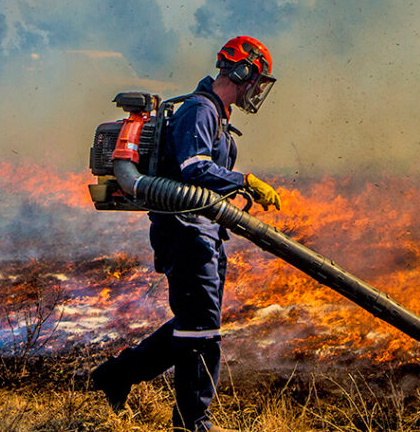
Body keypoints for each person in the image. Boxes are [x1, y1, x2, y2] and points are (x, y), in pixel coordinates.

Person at [91, 35, 282, 432]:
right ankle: (193, 424)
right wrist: (243, 180)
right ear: (242, 71)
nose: (257, 91)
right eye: (256, 80)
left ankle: (115, 375)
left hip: (202, 231)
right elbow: (195, 170)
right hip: (185, 230)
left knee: (194, 322)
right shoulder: (200, 110)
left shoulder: (215, 114)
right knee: (201, 330)